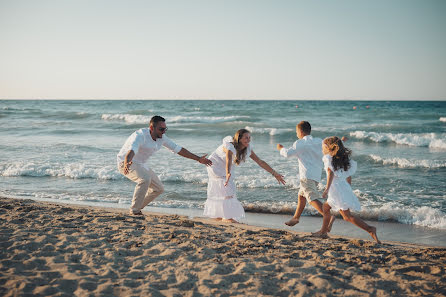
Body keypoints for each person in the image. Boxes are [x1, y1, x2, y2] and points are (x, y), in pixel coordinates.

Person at [117, 115, 212, 215]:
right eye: (161, 129)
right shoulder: (140, 136)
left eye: (165, 129)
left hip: (141, 164)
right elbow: (132, 150)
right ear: (151, 128)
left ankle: (137, 207)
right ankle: (135, 211)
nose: (163, 132)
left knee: (158, 189)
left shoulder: (162, 138)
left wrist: (198, 159)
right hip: (126, 162)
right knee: (145, 179)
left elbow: (178, 149)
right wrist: (127, 162)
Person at [203, 129, 286, 223]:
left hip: (226, 167)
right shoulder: (229, 145)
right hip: (215, 165)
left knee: (226, 189)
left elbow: (260, 162)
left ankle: (221, 215)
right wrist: (228, 172)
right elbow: (228, 158)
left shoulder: (247, 148)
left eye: (249, 137)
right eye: (246, 137)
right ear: (239, 138)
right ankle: (227, 217)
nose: (248, 140)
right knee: (228, 189)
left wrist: (275, 174)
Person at [312, 136, 380, 243]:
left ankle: (370, 229)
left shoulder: (328, 158)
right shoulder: (340, 158)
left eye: (323, 147)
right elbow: (348, 175)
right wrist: (347, 188)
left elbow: (330, 173)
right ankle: (323, 232)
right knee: (326, 208)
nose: (322, 149)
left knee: (347, 216)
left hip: (336, 190)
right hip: (342, 187)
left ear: (327, 148)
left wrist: (326, 189)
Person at [277, 121, 335, 229]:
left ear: (301, 131)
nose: (296, 134)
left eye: (297, 132)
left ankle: (329, 216)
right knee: (301, 195)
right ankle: (296, 218)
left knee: (311, 198)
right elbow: (329, 151)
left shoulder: (300, 143)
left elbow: (288, 154)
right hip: (316, 176)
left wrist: (281, 148)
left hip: (306, 175)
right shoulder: (319, 142)